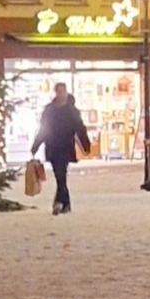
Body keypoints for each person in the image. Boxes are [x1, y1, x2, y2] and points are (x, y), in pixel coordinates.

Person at [30, 82, 91, 215]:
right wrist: (36, 145)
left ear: (66, 92)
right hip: (52, 146)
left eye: (63, 91)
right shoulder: (49, 110)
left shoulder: (72, 111)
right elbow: (44, 129)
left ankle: (59, 202)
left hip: (65, 146)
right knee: (60, 175)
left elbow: (79, 128)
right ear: (56, 93)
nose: (61, 94)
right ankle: (65, 203)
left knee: (60, 174)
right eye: (59, 91)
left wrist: (85, 144)